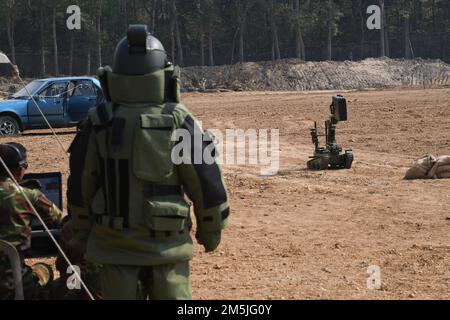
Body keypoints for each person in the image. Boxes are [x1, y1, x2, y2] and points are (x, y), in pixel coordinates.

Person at [67, 25, 230, 300]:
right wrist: (210, 228)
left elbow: (81, 182)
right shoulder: (179, 118)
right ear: (165, 74)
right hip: (167, 248)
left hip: (114, 247)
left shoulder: (98, 120)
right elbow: (206, 179)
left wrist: (81, 232)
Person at [0, 143, 63, 300]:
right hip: (12, 287)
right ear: (21, 169)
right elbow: (62, 222)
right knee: (45, 269)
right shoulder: (29, 195)